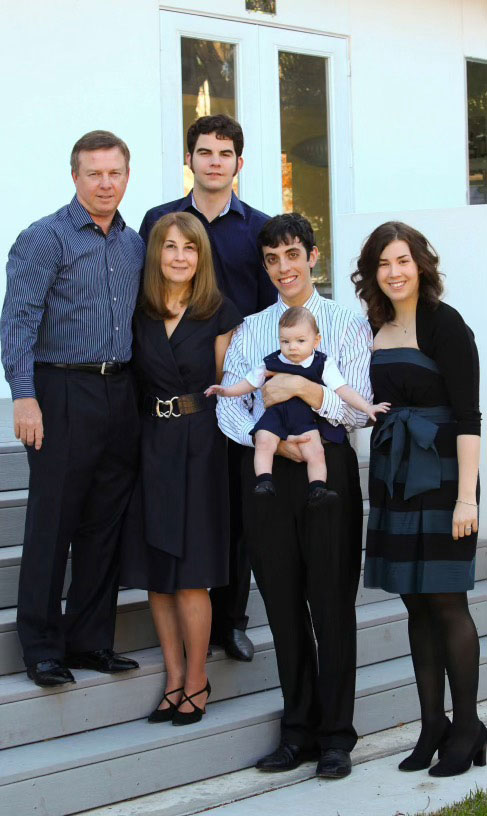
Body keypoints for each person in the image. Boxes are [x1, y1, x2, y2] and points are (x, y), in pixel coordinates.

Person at [217, 212, 373, 778]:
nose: (283, 268)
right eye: (271, 259)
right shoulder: (252, 327)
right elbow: (229, 405)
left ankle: (336, 736)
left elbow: (357, 408)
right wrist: (274, 445)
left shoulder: (346, 323)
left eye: (292, 255)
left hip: (326, 466)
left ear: (312, 255)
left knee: (330, 603)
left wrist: (304, 386)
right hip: (268, 470)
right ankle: (297, 731)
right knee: (281, 604)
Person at [0, 130, 145, 687]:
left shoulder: (133, 245)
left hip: (118, 392)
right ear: (76, 177)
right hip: (59, 391)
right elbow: (18, 319)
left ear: (126, 177)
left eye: (115, 173)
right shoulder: (45, 238)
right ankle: (41, 646)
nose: (105, 183)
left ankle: (89, 643)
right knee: (52, 522)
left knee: (104, 523)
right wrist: (24, 394)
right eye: (94, 173)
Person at [139, 114, 276, 663]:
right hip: (173, 385)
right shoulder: (161, 221)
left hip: (234, 389)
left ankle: (232, 620)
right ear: (189, 160)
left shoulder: (259, 228)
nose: (214, 161)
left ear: (238, 163)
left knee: (234, 512)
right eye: (204, 151)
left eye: (225, 153)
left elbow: (269, 312)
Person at [352, 221, 485, 777]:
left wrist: (467, 499)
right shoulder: (374, 326)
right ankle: (432, 725)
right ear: (372, 274)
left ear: (421, 265)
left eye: (403, 260)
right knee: (413, 603)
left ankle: (467, 726)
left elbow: (468, 418)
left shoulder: (445, 325)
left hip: (444, 479)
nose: (394, 272)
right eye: (384, 264)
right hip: (393, 479)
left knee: (447, 602)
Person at [120, 211, 241, 725]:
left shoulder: (219, 311)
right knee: (158, 576)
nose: (178, 256)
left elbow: (225, 386)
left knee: (192, 576)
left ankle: (198, 680)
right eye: (169, 247)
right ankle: (172, 678)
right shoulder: (140, 312)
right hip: (151, 445)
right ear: (156, 253)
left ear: (201, 257)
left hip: (201, 446)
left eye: (189, 248)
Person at [207, 305, 389, 504]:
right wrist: (226, 391)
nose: (292, 347)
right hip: (274, 416)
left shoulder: (322, 363)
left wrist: (367, 407)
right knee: (264, 441)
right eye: (286, 341)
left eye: (300, 341)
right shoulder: (270, 362)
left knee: (316, 451)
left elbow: (344, 389)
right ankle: (264, 480)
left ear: (316, 340)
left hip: (304, 418)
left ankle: (318, 487)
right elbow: (248, 384)